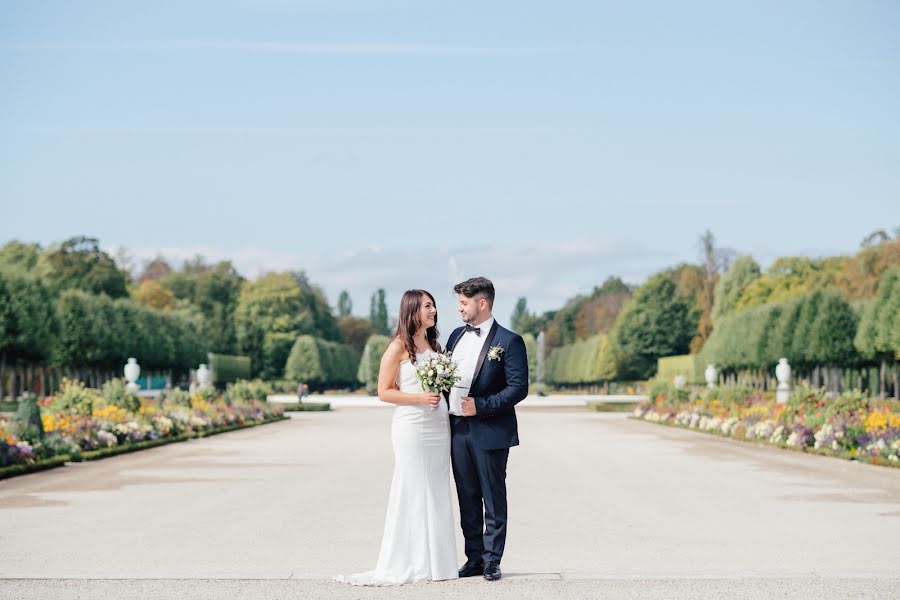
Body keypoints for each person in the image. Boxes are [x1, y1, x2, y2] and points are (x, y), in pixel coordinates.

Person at [335, 289, 458, 586]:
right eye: (427, 306)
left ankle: (439, 564)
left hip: (439, 425)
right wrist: (419, 399)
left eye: (434, 306)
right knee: (414, 487)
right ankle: (411, 561)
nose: (433, 310)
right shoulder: (398, 347)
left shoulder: (435, 345)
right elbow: (383, 391)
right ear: (412, 310)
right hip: (412, 425)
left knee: (438, 488)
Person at [446, 277, 529, 581]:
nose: (459, 309)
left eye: (464, 303)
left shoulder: (509, 341)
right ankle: (474, 559)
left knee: (492, 497)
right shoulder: (455, 337)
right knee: (467, 496)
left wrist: (480, 405)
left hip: (490, 430)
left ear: (482, 303)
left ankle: (493, 560)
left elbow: (519, 388)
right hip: (457, 429)